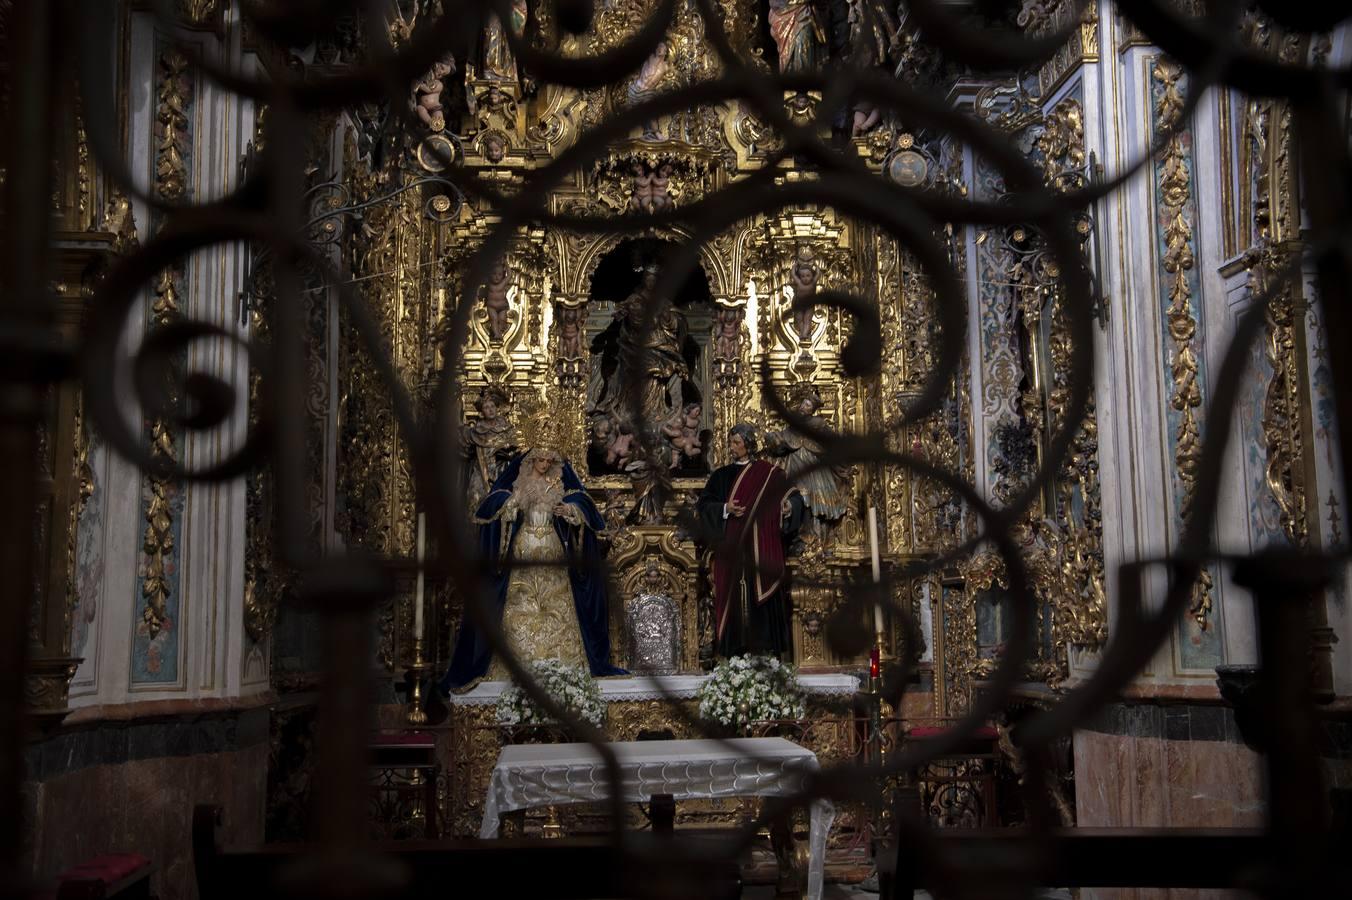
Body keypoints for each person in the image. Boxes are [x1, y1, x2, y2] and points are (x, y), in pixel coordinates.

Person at [441, 443, 625, 690]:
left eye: (550, 461)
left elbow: (582, 503)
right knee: (521, 602)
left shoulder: (559, 485)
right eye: (541, 460)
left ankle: (563, 667)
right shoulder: (517, 485)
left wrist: (569, 510)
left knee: (556, 602)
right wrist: (514, 503)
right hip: (524, 548)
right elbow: (494, 507)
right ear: (530, 461)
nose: (545, 465)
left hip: (552, 548)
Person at [697, 424, 805, 659]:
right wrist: (725, 508)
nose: (732, 446)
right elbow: (704, 507)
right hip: (733, 551)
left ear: (749, 444)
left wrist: (787, 507)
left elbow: (794, 499)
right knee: (734, 599)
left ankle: (767, 650)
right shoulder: (721, 476)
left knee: (763, 599)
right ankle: (735, 652)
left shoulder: (769, 473)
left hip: (763, 548)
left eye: (737, 442)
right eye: (731, 442)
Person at [765, 383, 849, 535]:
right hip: (794, 462)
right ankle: (799, 532)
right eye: (804, 404)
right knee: (796, 495)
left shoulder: (818, 423)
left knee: (814, 499)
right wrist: (773, 438)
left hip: (812, 463)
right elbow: (784, 437)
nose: (804, 407)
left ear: (813, 410)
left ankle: (815, 533)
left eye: (808, 405)